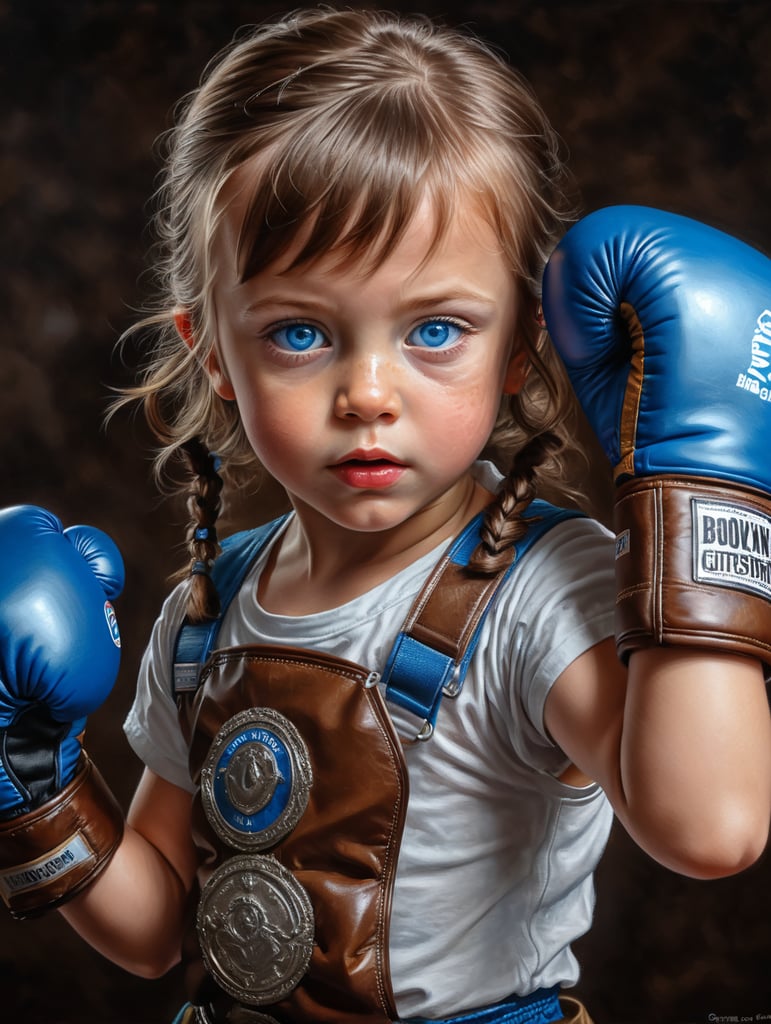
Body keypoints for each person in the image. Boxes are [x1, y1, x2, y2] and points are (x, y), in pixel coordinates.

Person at [0, 8, 770, 1024]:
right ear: (212, 352)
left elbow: (711, 828)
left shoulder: (539, 590)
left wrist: (705, 481)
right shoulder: (204, 611)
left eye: (436, 329)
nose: (368, 393)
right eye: (300, 332)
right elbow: (156, 934)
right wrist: (31, 781)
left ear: (521, 347)